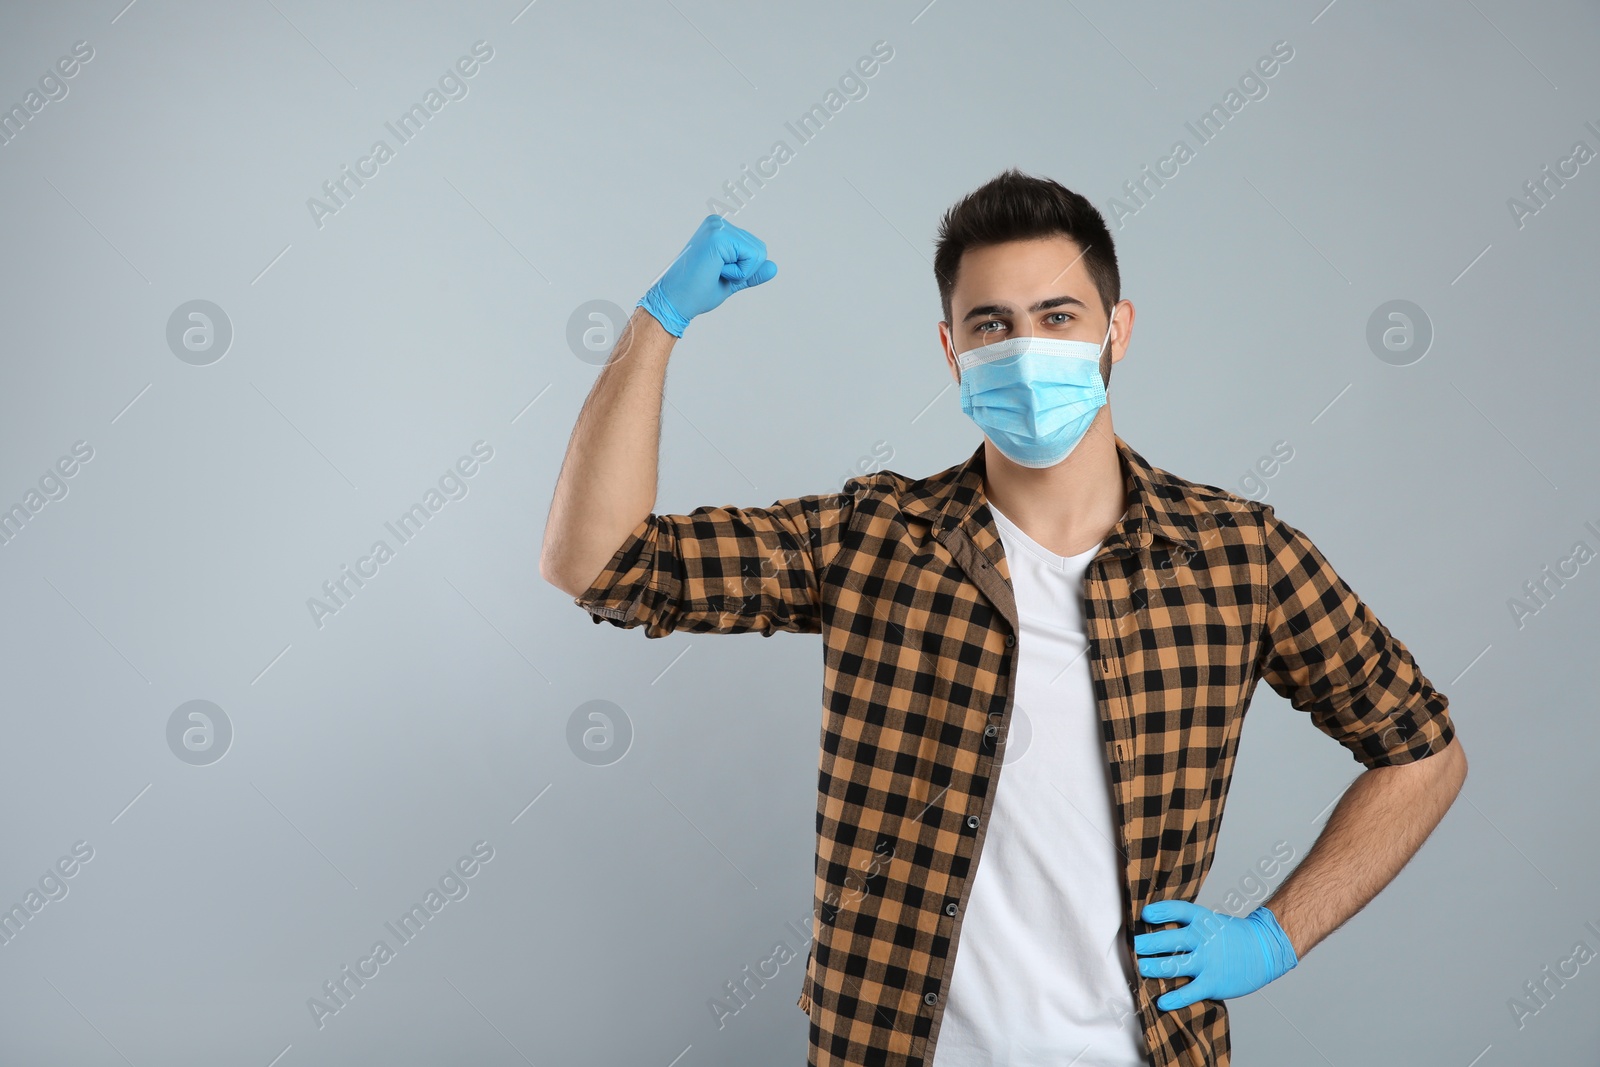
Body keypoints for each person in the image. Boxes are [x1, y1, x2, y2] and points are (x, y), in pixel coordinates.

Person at [539, 169, 1467, 1067]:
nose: (1027, 349)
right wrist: (657, 322)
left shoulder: (1236, 556)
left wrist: (1273, 937)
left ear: (1119, 330)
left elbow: (1424, 751)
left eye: (1058, 317)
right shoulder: (873, 538)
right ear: (951, 349)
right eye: (993, 324)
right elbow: (599, 563)